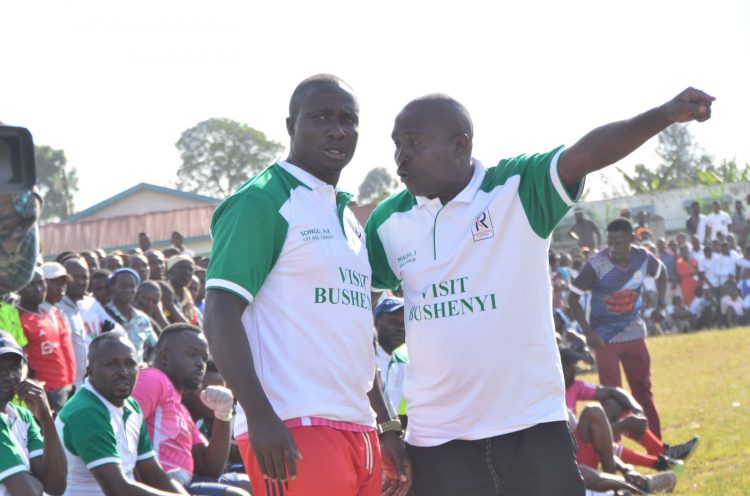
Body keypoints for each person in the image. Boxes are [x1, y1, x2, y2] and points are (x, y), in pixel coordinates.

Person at [365, 86, 712, 495]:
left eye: (414, 143)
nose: (400, 157)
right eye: (397, 144)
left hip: (531, 428)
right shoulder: (388, 220)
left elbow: (587, 153)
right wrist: (386, 424)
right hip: (437, 440)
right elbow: (354, 316)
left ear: (461, 144)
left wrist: (665, 114)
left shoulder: (516, 188)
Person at [204, 74, 409, 495]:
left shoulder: (347, 217)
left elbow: (355, 334)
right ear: (290, 126)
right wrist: (260, 416)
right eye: (321, 117)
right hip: (294, 426)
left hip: (358, 427)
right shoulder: (261, 200)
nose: (338, 130)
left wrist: (386, 424)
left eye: (349, 120)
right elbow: (219, 311)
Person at [56, 333, 189, 495]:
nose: (124, 372)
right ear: (90, 371)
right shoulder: (85, 411)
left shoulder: (132, 406)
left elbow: (153, 475)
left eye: (130, 363)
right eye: (112, 364)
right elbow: (117, 490)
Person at [569, 218, 666, 439]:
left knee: (643, 390)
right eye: (610, 243)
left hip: (634, 333)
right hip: (605, 338)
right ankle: (614, 448)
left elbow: (661, 275)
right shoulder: (597, 264)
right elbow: (573, 297)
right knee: (612, 398)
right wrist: (588, 332)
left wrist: (661, 305)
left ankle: (657, 443)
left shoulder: (643, 257)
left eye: (619, 243)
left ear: (632, 240)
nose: (613, 248)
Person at [131, 325, 249, 495]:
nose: (201, 364)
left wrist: (223, 415)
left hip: (186, 483)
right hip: (157, 485)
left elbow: (211, 467)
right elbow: (123, 426)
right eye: (192, 354)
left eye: (203, 357)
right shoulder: (153, 378)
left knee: (246, 483)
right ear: (164, 357)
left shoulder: (180, 408)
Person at [0, 330, 67, 496]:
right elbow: (28, 492)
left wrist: (45, 418)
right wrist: (36, 483)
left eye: (14, 366)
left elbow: (55, 486)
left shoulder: (23, 415)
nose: (8, 375)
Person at [16, 268, 76, 412]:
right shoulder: (18, 319)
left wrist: (71, 383)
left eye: (41, 283)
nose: (38, 289)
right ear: (20, 287)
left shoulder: (51, 313)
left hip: (65, 388)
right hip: (45, 393)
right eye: (32, 284)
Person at [104, 269, 158, 365]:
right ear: (112, 287)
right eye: (123, 286)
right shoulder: (103, 314)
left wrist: (149, 362)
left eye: (132, 286)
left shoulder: (142, 318)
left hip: (140, 374)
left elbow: (155, 345)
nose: (128, 290)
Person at [59, 257, 95, 387]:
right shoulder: (57, 308)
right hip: (65, 387)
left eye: (84, 277)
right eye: (76, 277)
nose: (81, 282)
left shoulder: (82, 306)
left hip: (83, 383)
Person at [373, 296, 408, 423]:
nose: (401, 328)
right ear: (377, 321)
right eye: (394, 321)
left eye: (404, 323)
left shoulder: (405, 363)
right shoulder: (367, 358)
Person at [165, 255, 196, 325]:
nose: (187, 272)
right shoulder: (164, 291)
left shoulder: (187, 295)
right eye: (182, 268)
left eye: (190, 269)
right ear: (170, 271)